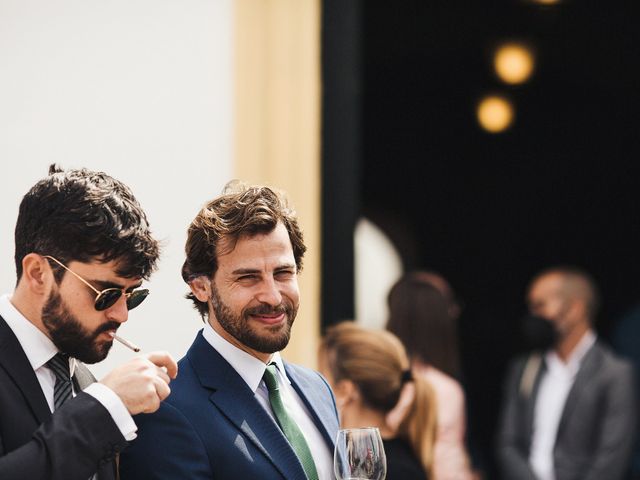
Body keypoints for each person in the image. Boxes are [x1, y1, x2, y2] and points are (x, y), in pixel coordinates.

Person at [120, 181, 340, 479]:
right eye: (248, 278)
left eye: (283, 273)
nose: (273, 296)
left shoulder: (318, 389)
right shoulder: (166, 411)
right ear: (201, 286)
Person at [0, 165, 178, 480]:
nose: (122, 315)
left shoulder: (84, 383)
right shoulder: (99, 401)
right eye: (107, 294)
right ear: (38, 274)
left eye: (132, 295)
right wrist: (103, 409)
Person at [497, 266, 637, 480]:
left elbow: (611, 457)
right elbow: (508, 443)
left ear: (575, 309)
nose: (534, 316)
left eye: (540, 306)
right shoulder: (525, 368)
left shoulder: (614, 373)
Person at [319, 321, 437, 480]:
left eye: (321, 376)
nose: (315, 386)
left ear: (344, 391)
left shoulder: (396, 471)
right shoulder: (350, 458)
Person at [386, 272, 473, 480]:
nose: (455, 311)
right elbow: (447, 468)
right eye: (449, 306)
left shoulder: (376, 380)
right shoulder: (444, 389)